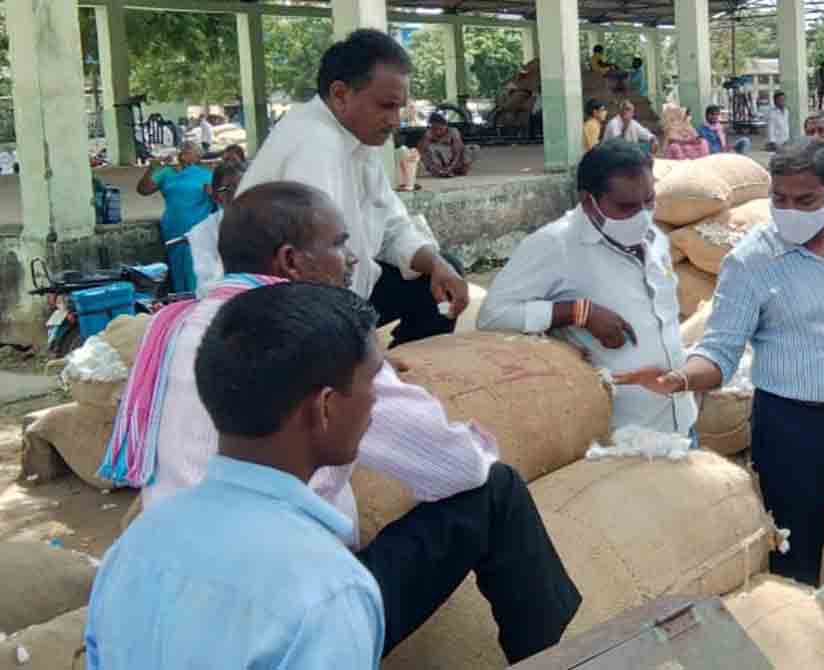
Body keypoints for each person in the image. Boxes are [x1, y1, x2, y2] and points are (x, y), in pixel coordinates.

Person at [100, 181, 582, 663]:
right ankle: (552, 657)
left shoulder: (177, 327)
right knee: (494, 488)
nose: (352, 259)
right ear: (291, 261)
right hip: (289, 576)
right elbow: (452, 465)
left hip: (192, 554)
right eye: (338, 243)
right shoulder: (326, 594)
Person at [615, 138, 824, 634]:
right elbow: (719, 350)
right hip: (793, 431)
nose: (790, 210)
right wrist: (679, 377)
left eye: (804, 200)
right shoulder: (751, 261)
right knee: (794, 562)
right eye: (780, 198)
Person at [87, 282, 388, 668]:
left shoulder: (132, 549)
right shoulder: (330, 591)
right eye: (372, 380)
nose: (376, 398)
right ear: (325, 408)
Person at [238, 28, 469, 348]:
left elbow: (391, 224)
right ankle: (366, 381)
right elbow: (312, 271)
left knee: (441, 272)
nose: (395, 120)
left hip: (341, 291)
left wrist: (437, 264)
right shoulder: (314, 143)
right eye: (386, 106)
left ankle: (397, 377)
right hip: (284, 315)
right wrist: (360, 354)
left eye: (399, 108)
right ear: (340, 94)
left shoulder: (358, 139)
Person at [479, 140, 697, 438]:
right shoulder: (555, 245)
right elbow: (493, 316)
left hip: (680, 418)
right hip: (620, 432)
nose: (642, 216)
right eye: (626, 207)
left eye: (648, 201)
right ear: (587, 200)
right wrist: (579, 312)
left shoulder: (654, 238)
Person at [137, 141, 213, 294]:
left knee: (195, 271)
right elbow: (143, 190)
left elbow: (220, 199)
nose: (183, 152)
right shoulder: (167, 173)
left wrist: (213, 193)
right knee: (177, 270)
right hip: (173, 229)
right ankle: (181, 305)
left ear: (197, 156)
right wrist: (151, 169)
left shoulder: (207, 175)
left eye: (188, 150)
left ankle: (197, 303)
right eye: (182, 150)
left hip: (197, 230)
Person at [188, 160, 246, 298]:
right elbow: (208, 286)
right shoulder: (202, 232)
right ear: (215, 196)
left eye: (244, 187)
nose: (237, 194)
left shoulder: (268, 225)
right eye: (228, 189)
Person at [417, 113, 476, 178]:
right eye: (434, 129)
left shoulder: (453, 132)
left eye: (440, 129)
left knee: (472, 148)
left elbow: (458, 152)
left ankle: (457, 170)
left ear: (445, 125)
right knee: (430, 148)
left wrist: (450, 167)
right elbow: (421, 151)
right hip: (440, 164)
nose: (437, 132)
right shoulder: (429, 133)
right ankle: (440, 171)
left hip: (456, 161)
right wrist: (433, 167)